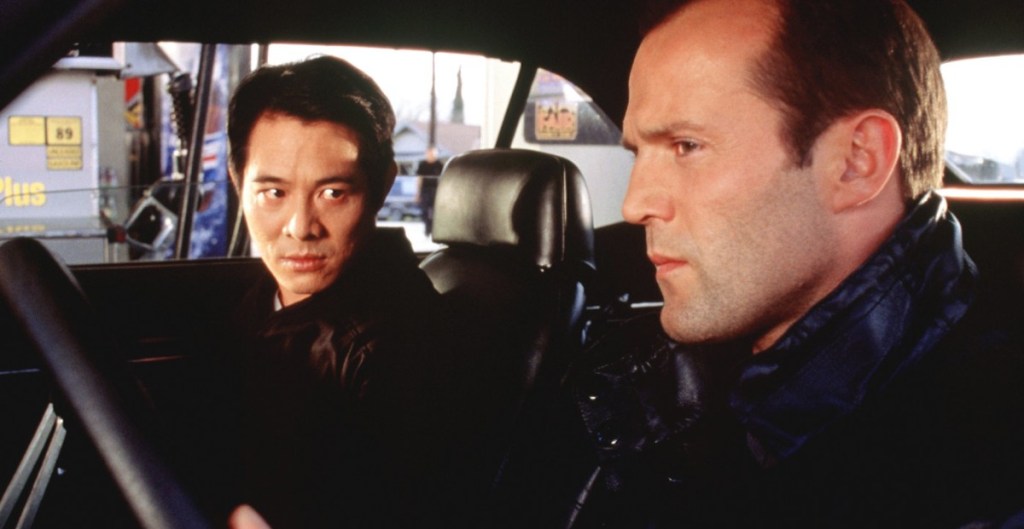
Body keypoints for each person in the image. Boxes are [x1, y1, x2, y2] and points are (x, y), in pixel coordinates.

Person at [485, 0, 1024, 528]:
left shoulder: (983, 466)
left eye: (686, 145)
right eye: (638, 153)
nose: (634, 204)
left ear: (856, 161)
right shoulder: (652, 376)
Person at [204, 55, 465, 529]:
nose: (301, 227)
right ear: (238, 182)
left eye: (333, 193)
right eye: (274, 193)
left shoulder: (395, 347)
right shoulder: (262, 300)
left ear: (382, 186)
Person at [415, 145, 444, 237]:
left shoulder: (439, 165)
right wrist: (417, 193)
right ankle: (427, 228)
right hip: (425, 191)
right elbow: (419, 179)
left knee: (436, 211)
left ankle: (433, 228)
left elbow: (442, 179)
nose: (430, 155)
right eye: (428, 153)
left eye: (432, 153)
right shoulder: (422, 165)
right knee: (424, 211)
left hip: (436, 191)